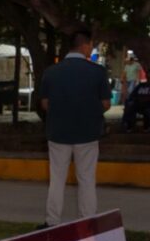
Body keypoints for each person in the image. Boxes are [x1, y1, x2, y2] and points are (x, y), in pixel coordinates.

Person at [39, 29, 111, 226]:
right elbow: (106, 103)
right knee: (86, 180)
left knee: (57, 180)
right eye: (91, 45)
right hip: (87, 133)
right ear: (85, 45)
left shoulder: (51, 72)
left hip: (58, 133)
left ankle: (52, 221)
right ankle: (87, 222)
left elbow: (45, 104)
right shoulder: (97, 72)